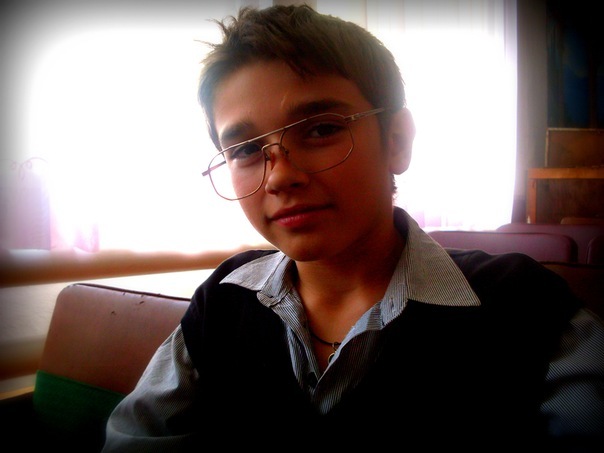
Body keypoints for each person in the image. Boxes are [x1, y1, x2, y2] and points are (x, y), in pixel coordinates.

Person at [102, 4, 604, 450]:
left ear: (397, 141)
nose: (279, 177)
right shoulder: (222, 303)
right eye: (247, 150)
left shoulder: (528, 308)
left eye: (321, 129)